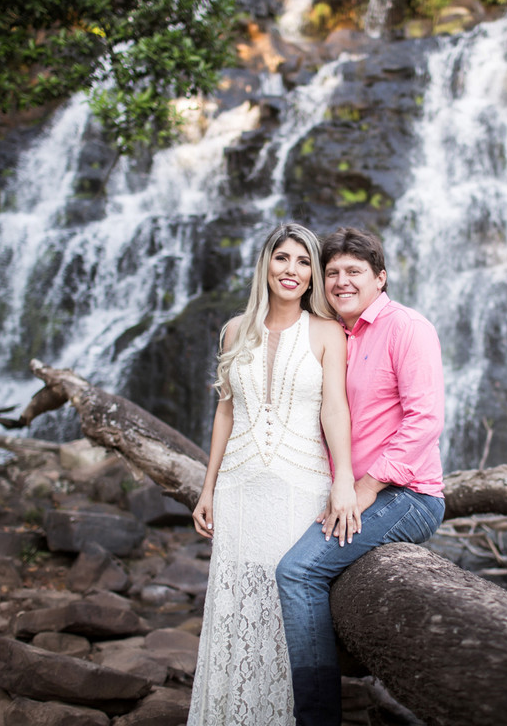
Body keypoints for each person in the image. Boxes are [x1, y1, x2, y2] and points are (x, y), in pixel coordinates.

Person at [188, 223, 361, 726]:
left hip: (300, 486)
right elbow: (225, 411)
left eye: (304, 262)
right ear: (265, 264)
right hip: (238, 486)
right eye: (282, 259)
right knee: (235, 601)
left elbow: (335, 410)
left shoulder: (328, 332)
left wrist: (345, 480)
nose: (292, 271)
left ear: (313, 277)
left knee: (287, 601)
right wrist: (207, 488)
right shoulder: (233, 330)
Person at [276, 227, 446, 726]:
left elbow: (425, 420)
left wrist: (366, 485)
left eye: (354, 272)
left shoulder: (408, 327)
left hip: (406, 494)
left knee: (298, 571)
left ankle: (317, 718)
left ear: (380, 278)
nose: (341, 281)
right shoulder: (334, 334)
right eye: (332, 273)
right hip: (347, 489)